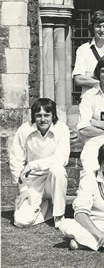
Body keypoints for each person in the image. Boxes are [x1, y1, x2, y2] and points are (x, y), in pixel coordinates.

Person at [9, 98, 69, 228]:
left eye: (47, 115)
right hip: (33, 182)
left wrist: (32, 165)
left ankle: (58, 216)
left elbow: (61, 158)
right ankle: (46, 208)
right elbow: (16, 160)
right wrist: (23, 189)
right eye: (39, 115)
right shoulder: (24, 130)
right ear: (33, 116)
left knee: (58, 170)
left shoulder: (62, 129)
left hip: (52, 181)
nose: (43, 119)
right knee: (21, 222)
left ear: (53, 115)